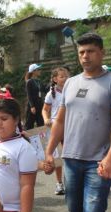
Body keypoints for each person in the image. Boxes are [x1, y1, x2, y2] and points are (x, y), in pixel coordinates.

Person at [45, 33, 111, 212]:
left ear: (102, 53)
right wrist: (49, 152)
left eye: (90, 51)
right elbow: (60, 121)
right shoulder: (71, 83)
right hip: (70, 159)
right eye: (81, 52)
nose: (85, 56)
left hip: (98, 161)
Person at [0, 98, 38, 212]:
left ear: (16, 120)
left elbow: (27, 186)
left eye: (4, 118)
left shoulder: (24, 148)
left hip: (9, 211)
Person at [42, 67, 69, 195]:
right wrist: (46, 119)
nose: (65, 78)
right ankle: (59, 183)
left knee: (70, 155)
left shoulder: (72, 91)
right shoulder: (51, 94)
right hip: (55, 128)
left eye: (66, 76)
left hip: (70, 127)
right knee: (57, 158)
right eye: (62, 76)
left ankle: (71, 182)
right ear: (55, 79)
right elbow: (44, 110)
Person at [25, 63, 45, 130]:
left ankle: (42, 140)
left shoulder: (39, 81)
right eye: (38, 69)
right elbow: (29, 95)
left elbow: (44, 89)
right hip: (32, 106)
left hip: (39, 105)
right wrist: (32, 106)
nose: (40, 71)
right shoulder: (29, 82)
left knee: (41, 123)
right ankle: (27, 139)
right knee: (29, 124)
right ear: (33, 71)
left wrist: (53, 83)